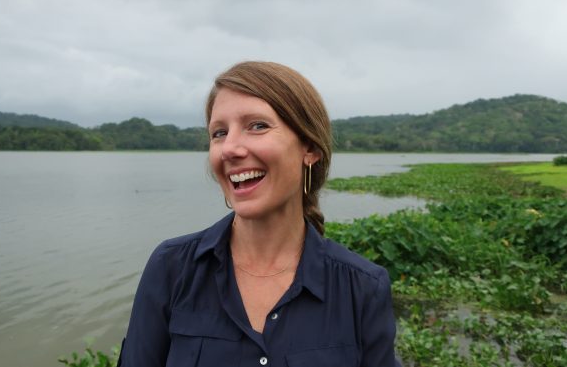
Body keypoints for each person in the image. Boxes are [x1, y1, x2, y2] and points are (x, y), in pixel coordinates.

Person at [117, 61, 401, 366]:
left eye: (258, 126)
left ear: (310, 148)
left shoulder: (362, 287)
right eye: (219, 132)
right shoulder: (171, 268)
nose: (230, 148)